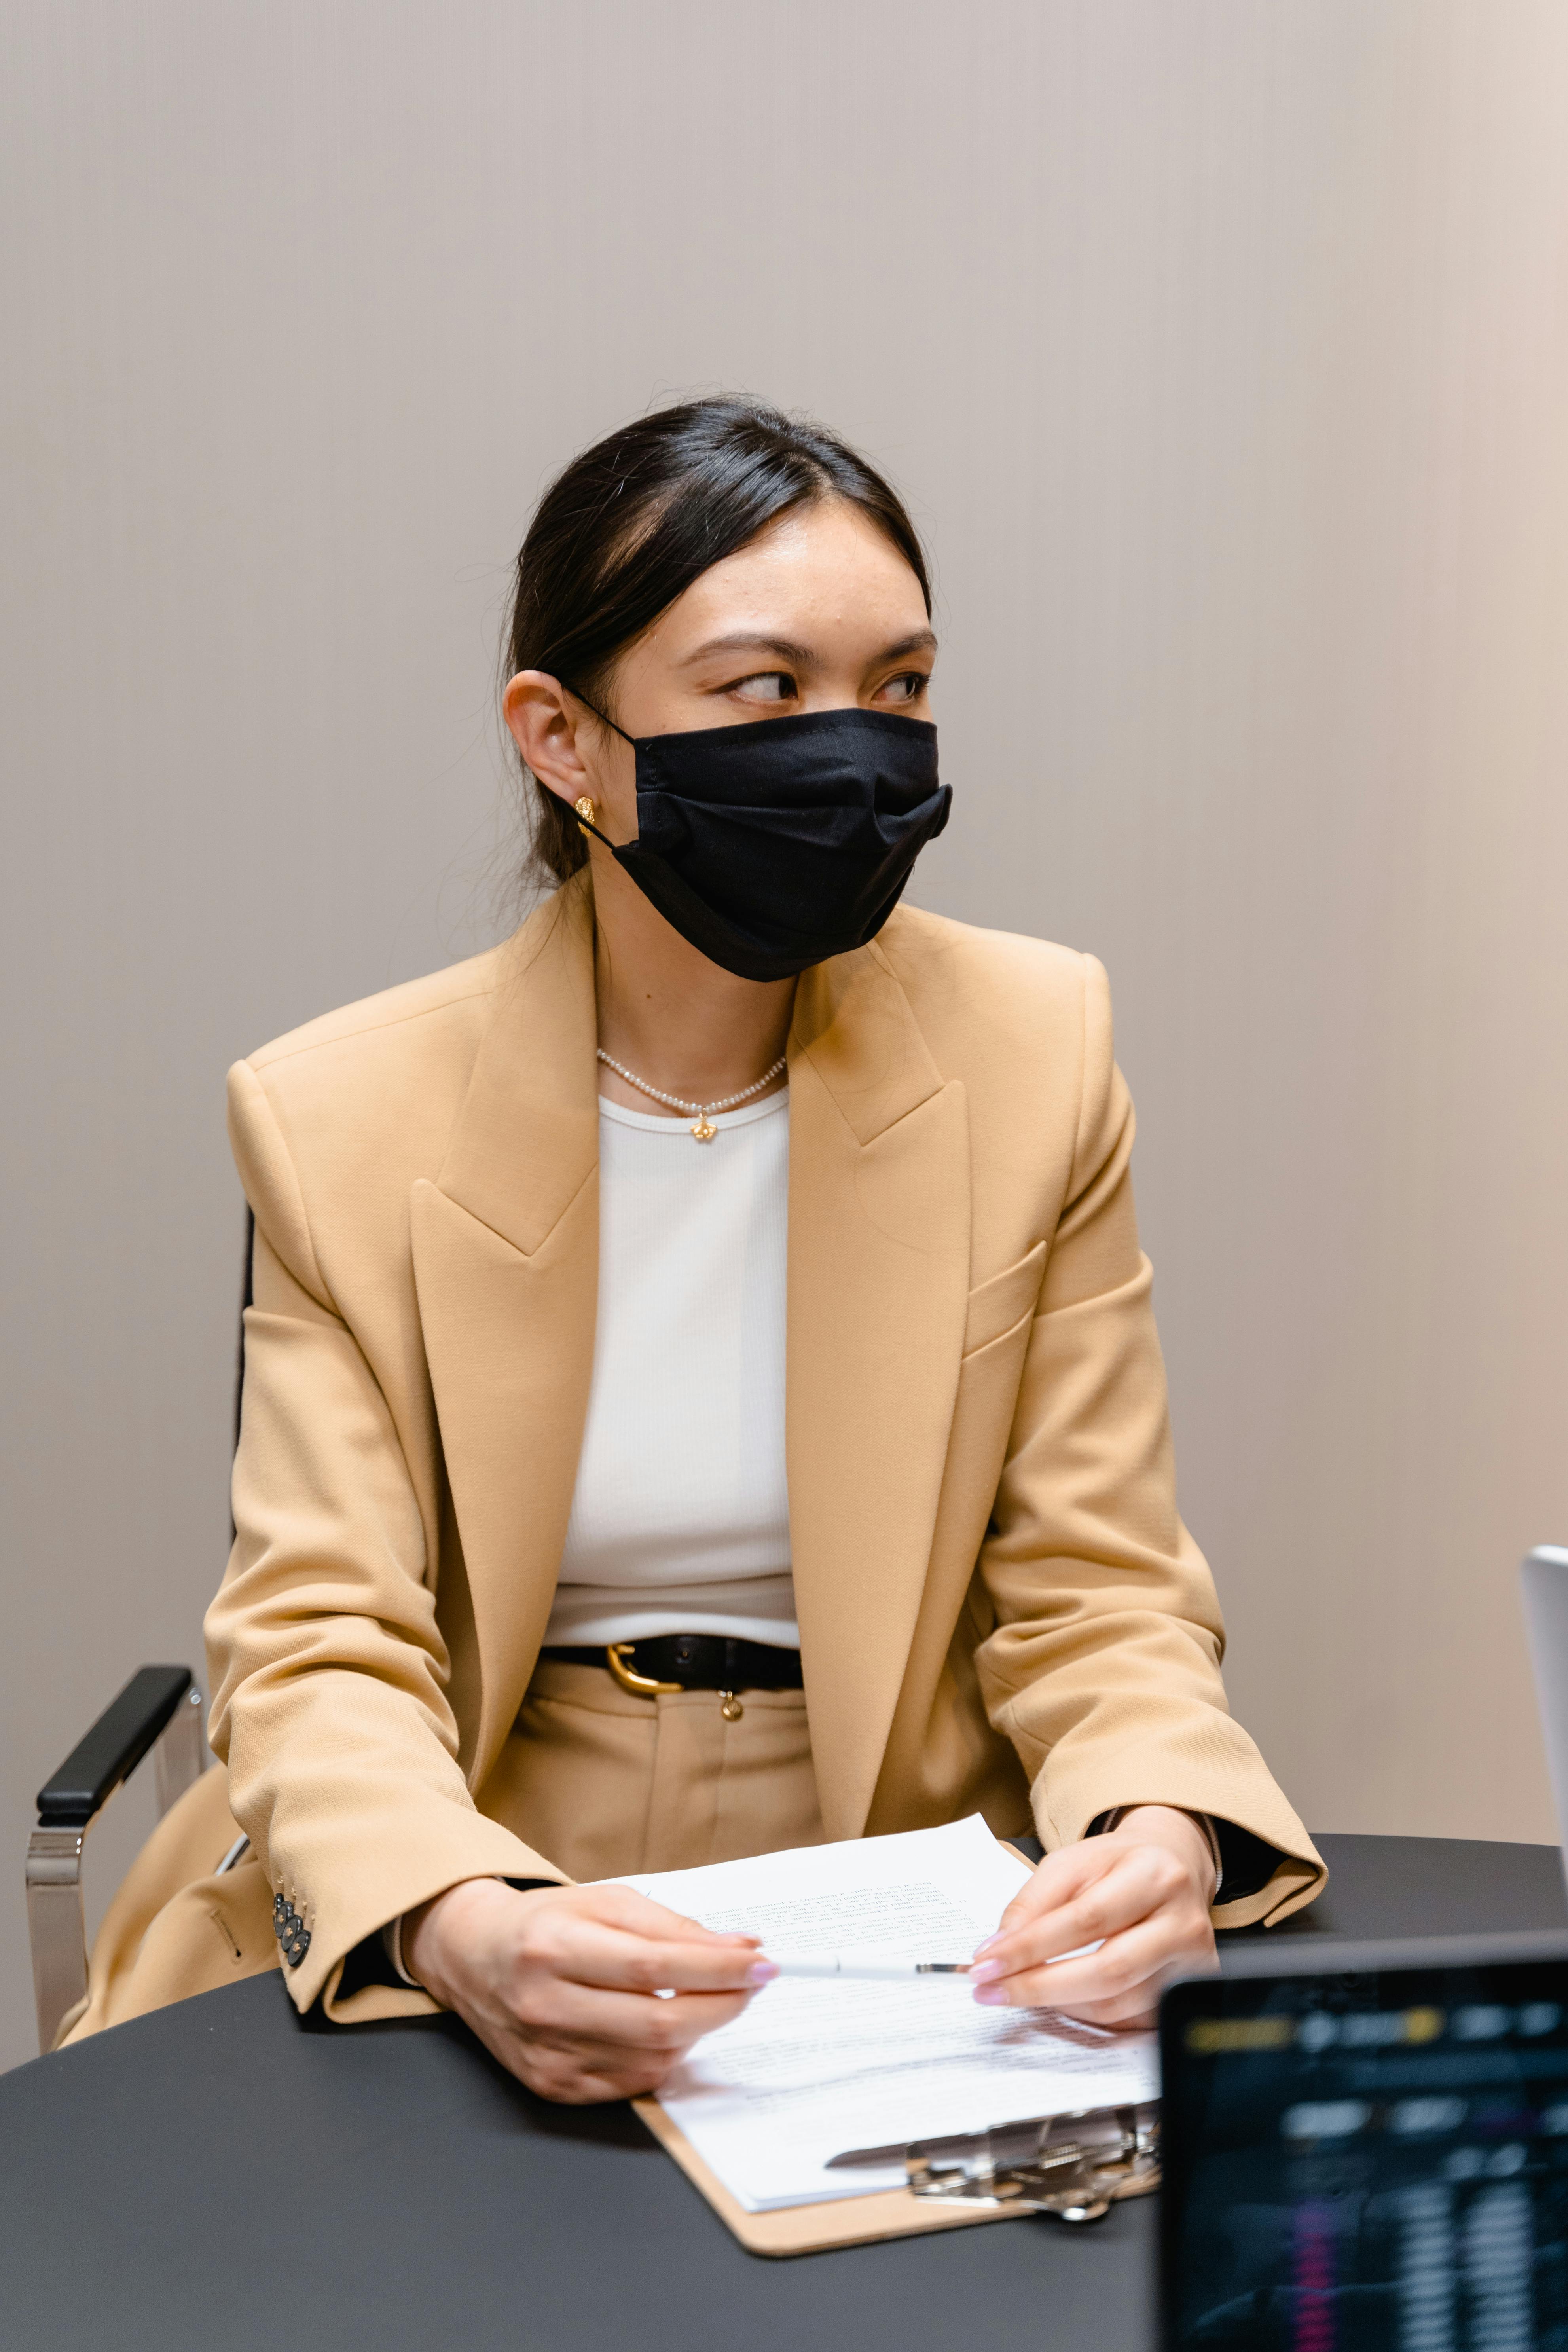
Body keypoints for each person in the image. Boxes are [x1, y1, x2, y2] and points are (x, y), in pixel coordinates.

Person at [68, 398, 1323, 2099]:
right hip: (488, 1820)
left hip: (904, 1858)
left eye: (899, 687)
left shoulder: (1036, 1049)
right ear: (561, 738)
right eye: (764, 690)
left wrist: (1154, 1821)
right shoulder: (336, 1115)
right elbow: (319, 1639)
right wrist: (461, 1915)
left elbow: (1097, 1596)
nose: (853, 746)